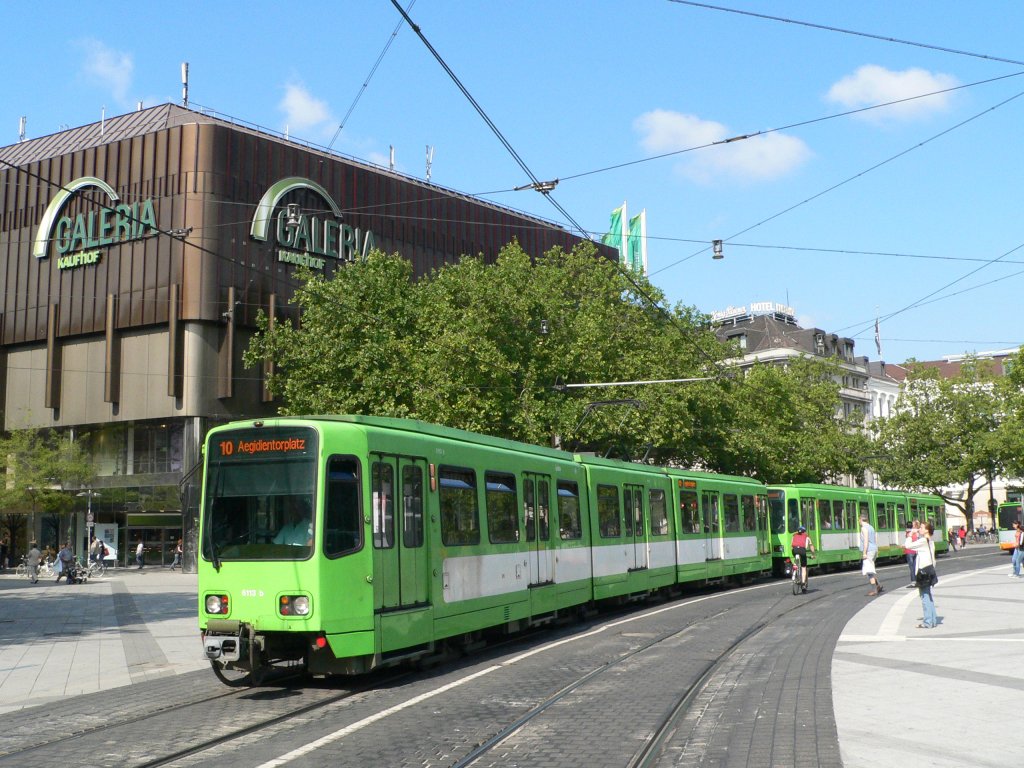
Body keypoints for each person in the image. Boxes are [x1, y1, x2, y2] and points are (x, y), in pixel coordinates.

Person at [906, 521, 938, 628]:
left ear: (926, 530)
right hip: (930, 570)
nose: (919, 529)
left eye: (922, 527)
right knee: (928, 596)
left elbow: (908, 545)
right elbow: (933, 559)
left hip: (923, 571)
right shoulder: (930, 541)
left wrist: (910, 534)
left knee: (924, 597)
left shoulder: (923, 541)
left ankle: (928, 622)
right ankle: (932, 620)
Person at [860, 513, 884, 596]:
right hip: (874, 550)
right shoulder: (871, 527)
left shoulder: (864, 528)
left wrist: (864, 553)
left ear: (860, 519)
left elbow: (866, 541)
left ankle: (874, 590)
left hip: (869, 551)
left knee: (869, 571)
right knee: (871, 569)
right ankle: (878, 585)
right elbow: (875, 539)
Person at [790, 524, 815, 592]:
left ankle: (795, 568)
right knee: (803, 567)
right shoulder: (806, 536)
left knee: (796, 560)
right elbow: (811, 546)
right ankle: (803, 584)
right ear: (804, 531)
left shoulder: (794, 535)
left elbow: (791, 545)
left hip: (794, 550)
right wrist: (813, 554)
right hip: (802, 551)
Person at [904, 520, 921, 588]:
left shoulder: (910, 532)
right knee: (915, 567)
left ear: (915, 525)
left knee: (911, 568)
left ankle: (913, 582)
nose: (911, 525)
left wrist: (909, 531)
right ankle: (917, 581)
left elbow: (907, 538)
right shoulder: (917, 532)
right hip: (915, 551)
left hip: (909, 551)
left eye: (912, 524)